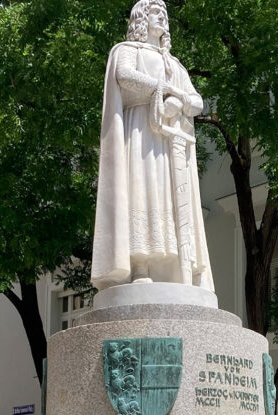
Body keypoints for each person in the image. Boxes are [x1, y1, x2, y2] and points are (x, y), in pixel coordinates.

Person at [91, 0, 214, 292]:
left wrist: (178, 101)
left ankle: (177, 269)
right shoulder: (126, 51)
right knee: (141, 194)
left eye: (165, 14)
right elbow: (125, 76)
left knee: (170, 203)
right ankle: (140, 266)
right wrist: (166, 89)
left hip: (171, 140)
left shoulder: (176, 64)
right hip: (140, 133)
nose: (163, 18)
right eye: (157, 13)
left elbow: (196, 101)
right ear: (141, 18)